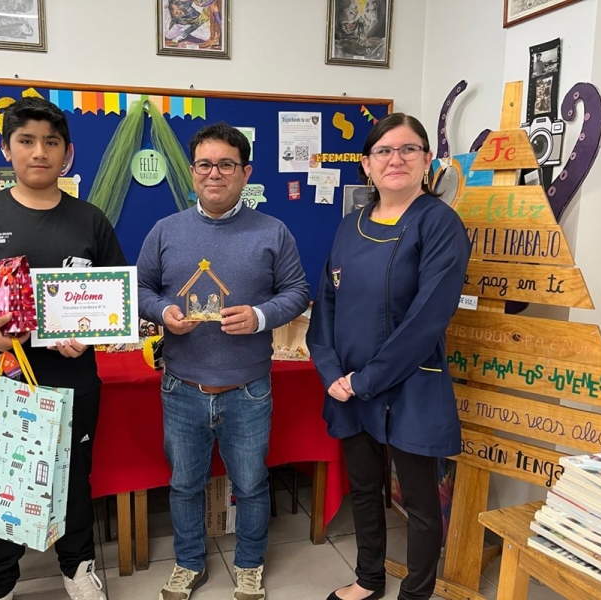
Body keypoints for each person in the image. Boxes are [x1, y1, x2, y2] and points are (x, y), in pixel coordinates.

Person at [0, 96, 126, 600]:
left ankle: (79, 566)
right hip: (2, 375)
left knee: (73, 480)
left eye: (51, 142)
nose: (39, 152)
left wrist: (87, 334)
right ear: (7, 149)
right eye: (26, 141)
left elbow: (112, 302)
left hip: (74, 379)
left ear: (67, 154)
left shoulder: (90, 219)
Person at [137, 122, 309, 600]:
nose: (215, 174)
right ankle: (189, 563)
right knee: (185, 485)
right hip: (182, 386)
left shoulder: (273, 231)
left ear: (245, 172)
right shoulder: (165, 231)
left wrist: (258, 316)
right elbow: (142, 290)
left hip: (248, 388)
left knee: (251, 485)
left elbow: (298, 292)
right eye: (205, 165)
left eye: (226, 164)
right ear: (192, 172)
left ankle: (249, 563)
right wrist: (163, 312)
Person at [306, 113, 471, 600]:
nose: (395, 159)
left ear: (427, 162)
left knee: (421, 505)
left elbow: (427, 317)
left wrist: (366, 379)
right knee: (364, 489)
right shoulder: (349, 226)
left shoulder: (440, 225)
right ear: (367, 164)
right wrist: (333, 373)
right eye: (384, 151)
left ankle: (415, 594)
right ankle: (369, 579)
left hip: (409, 382)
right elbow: (326, 306)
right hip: (349, 386)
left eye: (408, 150)